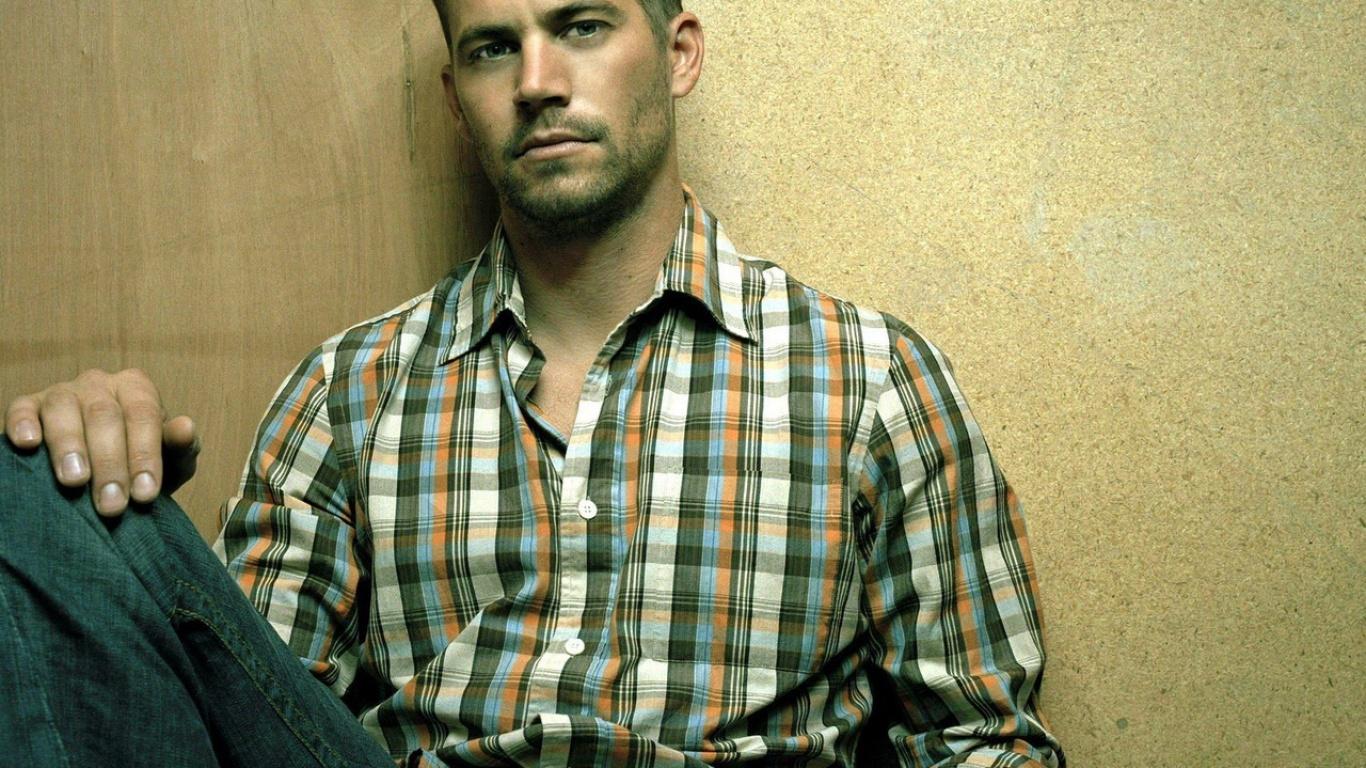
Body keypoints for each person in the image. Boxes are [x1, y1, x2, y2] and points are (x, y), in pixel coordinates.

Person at [1, 1, 1064, 765]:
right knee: (29, 482)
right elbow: (241, 707)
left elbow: (986, 741)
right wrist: (94, 509)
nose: (538, 81)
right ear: (456, 99)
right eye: (493, 47)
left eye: (582, 26)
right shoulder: (348, 392)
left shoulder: (868, 381)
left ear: (679, 53)